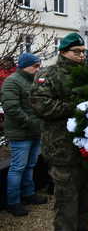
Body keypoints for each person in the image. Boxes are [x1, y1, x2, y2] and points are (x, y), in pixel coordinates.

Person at [31, 33, 88, 230]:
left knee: (87, 202)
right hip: (63, 147)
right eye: (76, 52)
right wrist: (75, 107)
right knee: (66, 205)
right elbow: (41, 105)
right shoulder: (48, 74)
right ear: (63, 52)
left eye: (83, 52)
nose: (81, 56)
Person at [2, 53, 45, 217]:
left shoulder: (32, 80)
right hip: (20, 133)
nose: (37, 69)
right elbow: (11, 108)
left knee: (30, 165)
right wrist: (32, 123)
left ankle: (29, 194)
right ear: (24, 65)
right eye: (35, 66)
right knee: (18, 168)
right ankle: (13, 202)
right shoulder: (12, 81)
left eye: (38, 66)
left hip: (34, 131)